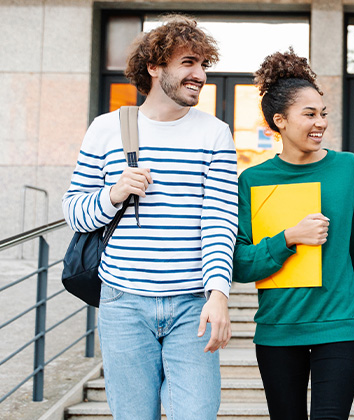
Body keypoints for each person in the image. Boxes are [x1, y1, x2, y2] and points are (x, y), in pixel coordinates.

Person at [62, 15, 236, 419]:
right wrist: (114, 193)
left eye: (204, 65)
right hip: (123, 303)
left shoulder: (215, 133)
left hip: (193, 304)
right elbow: (74, 211)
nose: (200, 74)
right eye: (189, 63)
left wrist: (219, 294)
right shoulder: (106, 129)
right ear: (154, 67)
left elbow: (220, 220)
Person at [232, 49, 354, 420]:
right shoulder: (253, 180)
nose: (320, 123)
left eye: (323, 114)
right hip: (278, 330)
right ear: (279, 121)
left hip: (341, 325)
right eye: (309, 114)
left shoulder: (349, 169)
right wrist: (288, 238)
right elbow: (238, 263)